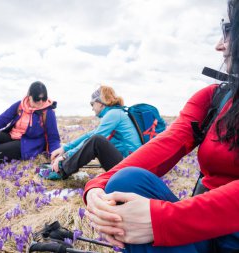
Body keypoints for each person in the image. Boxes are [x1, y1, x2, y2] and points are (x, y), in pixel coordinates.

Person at [83, 1, 239, 252]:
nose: (219, 45)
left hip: (221, 225)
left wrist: (165, 219)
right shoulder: (215, 98)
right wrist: (97, 185)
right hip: (204, 227)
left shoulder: (112, 114)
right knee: (126, 181)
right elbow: (168, 143)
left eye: (229, 31)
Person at [49, 85, 142, 179]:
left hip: (130, 168)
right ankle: (61, 167)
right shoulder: (115, 113)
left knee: (96, 141)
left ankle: (61, 171)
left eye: (92, 104)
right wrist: (64, 149)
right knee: (95, 139)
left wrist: (65, 156)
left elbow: (94, 138)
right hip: (129, 166)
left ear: (100, 103)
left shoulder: (114, 114)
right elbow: (90, 135)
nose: (92, 108)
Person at [0, 81, 60, 162]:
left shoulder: (48, 112)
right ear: (29, 97)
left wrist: (55, 156)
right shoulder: (20, 105)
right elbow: (2, 120)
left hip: (26, 144)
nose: (41, 103)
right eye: (37, 100)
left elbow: (53, 137)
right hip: (11, 136)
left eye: (43, 99)